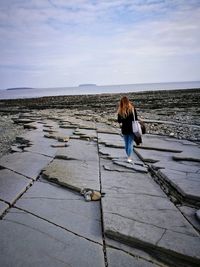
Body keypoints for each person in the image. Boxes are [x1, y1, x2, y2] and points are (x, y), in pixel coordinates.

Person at [117, 96, 139, 163]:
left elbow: (119, 121)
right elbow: (136, 119)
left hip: (124, 129)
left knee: (126, 143)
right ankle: (129, 157)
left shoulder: (120, 110)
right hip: (132, 128)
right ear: (128, 101)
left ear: (121, 102)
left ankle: (128, 156)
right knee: (130, 143)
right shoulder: (132, 108)